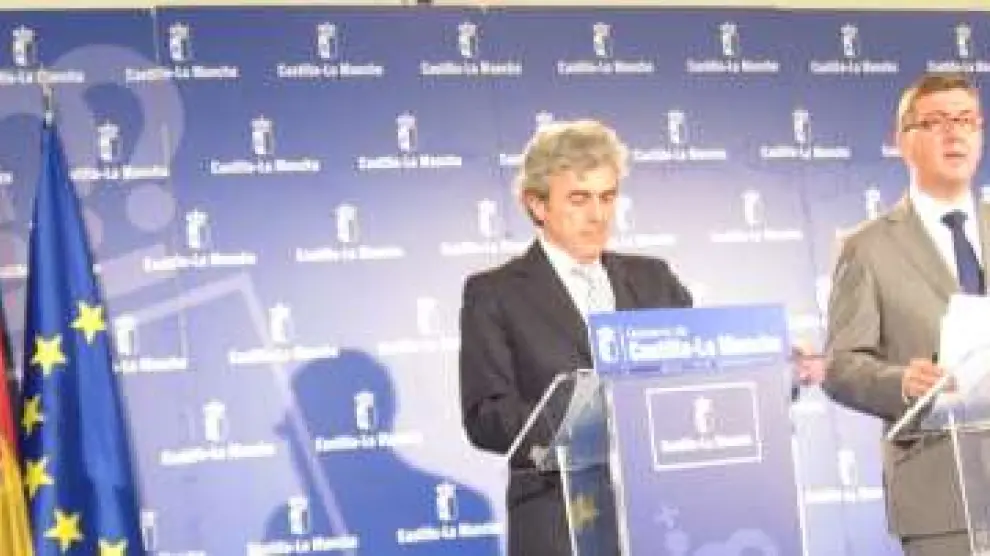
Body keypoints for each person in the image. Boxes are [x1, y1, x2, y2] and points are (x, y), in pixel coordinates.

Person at [457, 119, 693, 556]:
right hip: (558, 522)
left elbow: (700, 376)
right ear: (537, 205)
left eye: (608, 197)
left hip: (659, 516)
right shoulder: (495, 294)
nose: (598, 215)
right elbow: (486, 417)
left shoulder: (655, 280)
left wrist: (774, 369)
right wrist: (582, 422)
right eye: (579, 199)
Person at [823, 72, 987, 555]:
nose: (954, 134)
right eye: (936, 122)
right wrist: (902, 383)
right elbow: (840, 366)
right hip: (939, 494)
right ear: (903, 142)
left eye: (966, 120)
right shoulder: (867, 247)